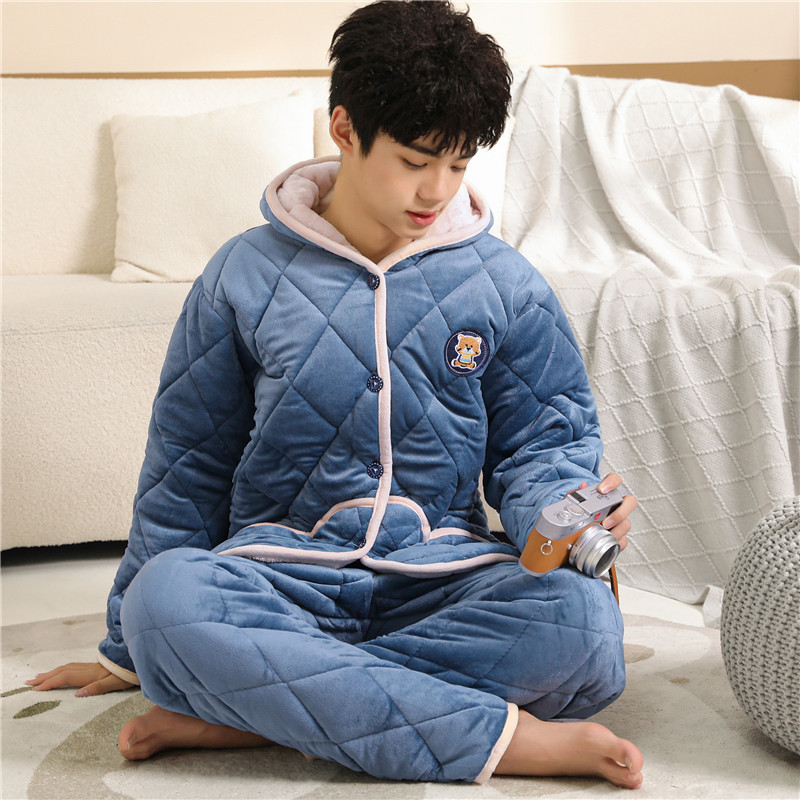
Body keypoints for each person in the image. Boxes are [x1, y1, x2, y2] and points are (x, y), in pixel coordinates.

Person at [29, 0, 643, 789]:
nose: (437, 190)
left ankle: (252, 711)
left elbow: (543, 447)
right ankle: (508, 740)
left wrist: (567, 512)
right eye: (416, 160)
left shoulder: (507, 284)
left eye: (459, 166)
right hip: (279, 575)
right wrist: (125, 646)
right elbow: (188, 463)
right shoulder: (241, 275)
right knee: (165, 605)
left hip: (443, 576)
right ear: (345, 128)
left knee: (584, 626)